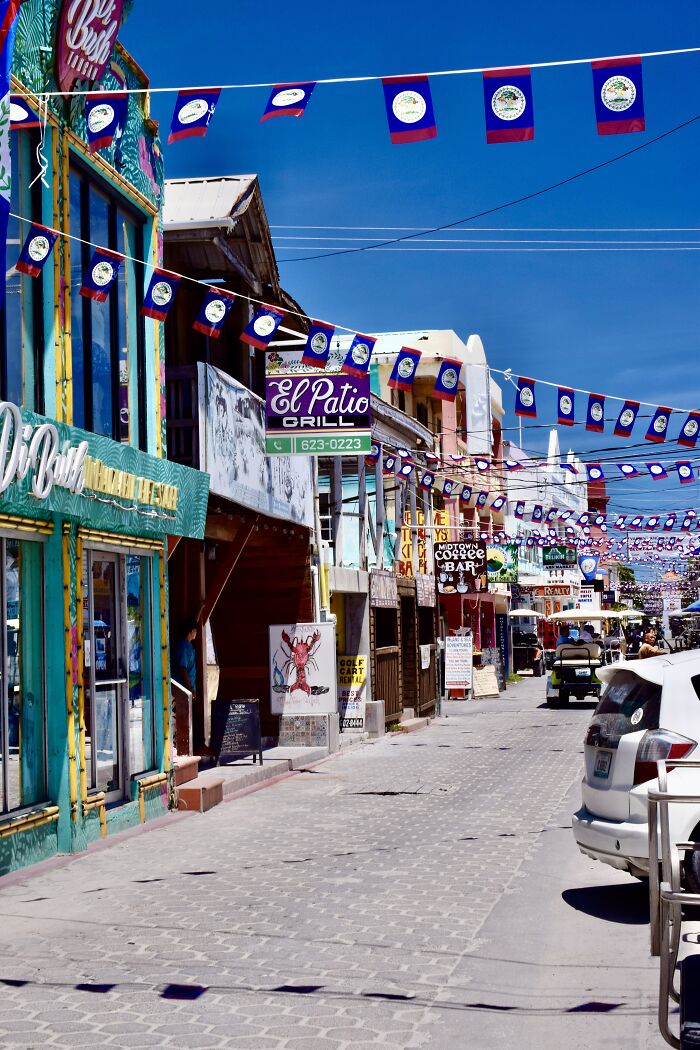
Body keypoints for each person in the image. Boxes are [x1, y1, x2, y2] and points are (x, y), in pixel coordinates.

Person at [173, 619, 198, 696]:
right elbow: (182, 669)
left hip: (185, 689)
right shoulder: (183, 647)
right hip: (182, 689)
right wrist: (190, 689)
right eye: (195, 631)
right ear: (191, 631)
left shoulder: (188, 646)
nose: (196, 633)